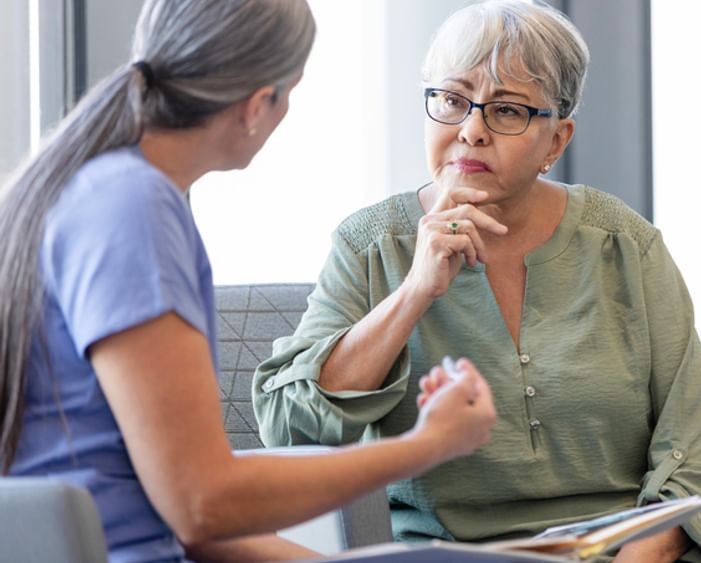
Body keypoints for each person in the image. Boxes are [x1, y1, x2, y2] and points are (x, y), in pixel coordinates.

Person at [0, 1, 497, 562]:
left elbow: (193, 521)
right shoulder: (134, 207)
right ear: (259, 104)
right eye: (291, 95)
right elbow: (203, 502)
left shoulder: (100, 189)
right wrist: (428, 445)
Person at [253, 1, 701, 562]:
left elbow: (694, 454)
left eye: (506, 111)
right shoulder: (368, 245)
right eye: (452, 100)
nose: (471, 130)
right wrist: (416, 290)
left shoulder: (626, 246)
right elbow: (287, 432)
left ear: (556, 141)